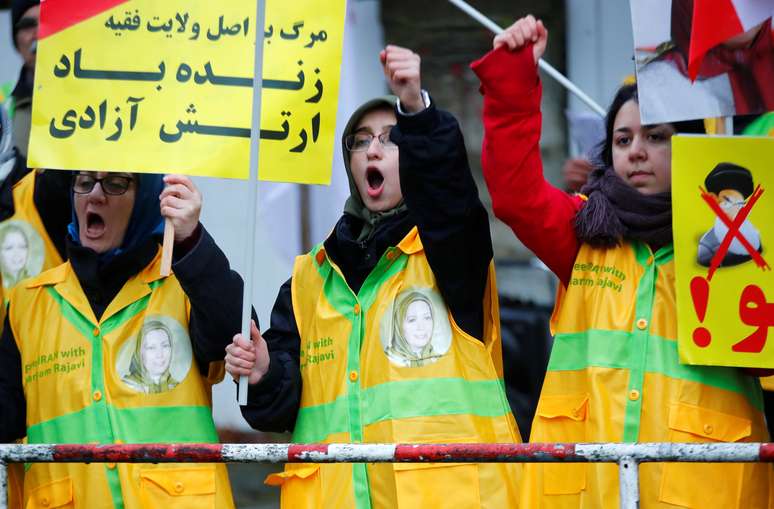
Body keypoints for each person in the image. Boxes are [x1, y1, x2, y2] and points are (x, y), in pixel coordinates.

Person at [471, 15, 769, 508]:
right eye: (623, 140)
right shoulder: (585, 231)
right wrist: (514, 80)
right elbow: (514, 195)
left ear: (696, 147)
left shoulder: (746, 244)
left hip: (707, 493)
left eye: (657, 137)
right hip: (589, 493)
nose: (637, 152)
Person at [225, 45, 521, 508]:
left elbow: (449, 196)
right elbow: (282, 410)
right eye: (361, 140)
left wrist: (417, 112)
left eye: (390, 137)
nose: (373, 149)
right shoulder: (309, 278)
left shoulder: (448, 251)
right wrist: (263, 373)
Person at [0, 171, 247, 508]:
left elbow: (235, 334)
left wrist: (191, 239)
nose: (95, 196)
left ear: (145, 197)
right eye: (84, 182)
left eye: (116, 183)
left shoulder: (183, 281)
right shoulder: (28, 303)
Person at [697, 162, 762, 267]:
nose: (735, 209)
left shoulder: (753, 236)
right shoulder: (707, 247)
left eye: (740, 203)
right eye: (728, 201)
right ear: (714, 199)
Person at [7, 0, 39, 157]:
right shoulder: (3, 101)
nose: (38, 34)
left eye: (47, 22)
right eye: (28, 25)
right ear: (16, 41)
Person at [121, 320, 180, 394]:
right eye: (151, 347)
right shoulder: (126, 387)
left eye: (165, 346)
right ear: (139, 352)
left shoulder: (178, 386)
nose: (160, 354)